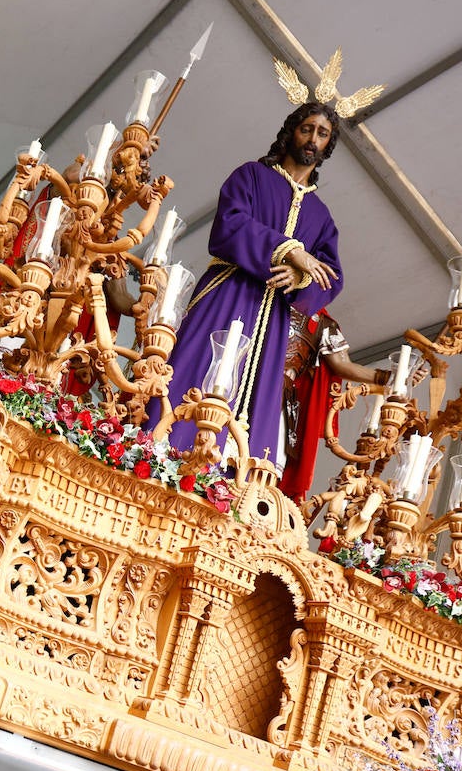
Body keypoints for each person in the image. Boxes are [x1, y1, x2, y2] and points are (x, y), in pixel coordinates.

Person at [164, 100, 346, 462]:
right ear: (291, 131)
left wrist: (299, 277)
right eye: (306, 129)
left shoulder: (321, 217)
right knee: (195, 371)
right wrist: (290, 251)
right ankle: (165, 450)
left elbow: (332, 277)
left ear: (329, 145)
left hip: (274, 318)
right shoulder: (251, 176)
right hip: (228, 294)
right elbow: (229, 224)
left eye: (322, 134)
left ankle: (227, 477)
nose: (312, 139)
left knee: (256, 396)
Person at [278, 307, 389, 501]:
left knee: (272, 459)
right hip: (248, 381)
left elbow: (341, 363)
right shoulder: (264, 294)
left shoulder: (322, 321)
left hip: (282, 397)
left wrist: (389, 377)